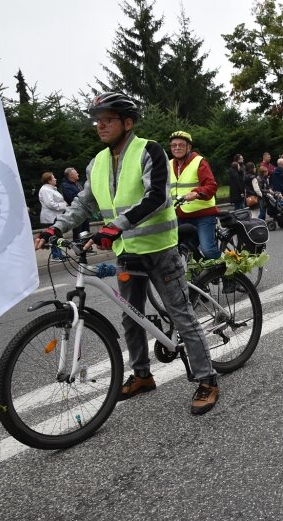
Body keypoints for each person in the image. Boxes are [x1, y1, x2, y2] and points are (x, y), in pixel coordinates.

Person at [35, 92, 219, 414]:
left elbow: (158, 197)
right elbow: (83, 204)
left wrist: (117, 225)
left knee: (181, 314)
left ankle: (207, 380)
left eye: (108, 120)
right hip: (126, 252)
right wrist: (56, 228)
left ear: (127, 123)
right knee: (130, 317)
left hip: (159, 250)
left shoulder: (148, 150)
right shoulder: (98, 162)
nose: (101, 126)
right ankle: (142, 375)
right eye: (98, 121)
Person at [168, 130, 220, 260]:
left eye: (181, 145)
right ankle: (198, 278)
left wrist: (196, 193)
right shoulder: (168, 165)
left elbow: (211, 186)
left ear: (189, 147)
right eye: (174, 145)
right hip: (180, 216)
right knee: (185, 250)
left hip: (203, 215)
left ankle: (227, 276)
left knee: (208, 250)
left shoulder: (199, 162)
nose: (177, 148)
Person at [38, 171, 67, 261]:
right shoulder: (45, 190)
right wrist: (63, 206)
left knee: (57, 236)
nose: (55, 179)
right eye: (53, 178)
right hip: (50, 217)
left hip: (55, 216)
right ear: (49, 180)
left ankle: (59, 254)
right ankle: (55, 255)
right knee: (53, 236)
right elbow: (50, 204)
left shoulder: (51, 189)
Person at [61, 167, 91, 241]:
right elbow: (70, 197)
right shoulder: (66, 185)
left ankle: (86, 247)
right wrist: (82, 196)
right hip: (76, 211)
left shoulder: (77, 184)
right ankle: (79, 248)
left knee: (85, 230)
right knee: (78, 231)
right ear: (70, 175)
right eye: (75, 173)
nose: (78, 174)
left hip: (84, 210)